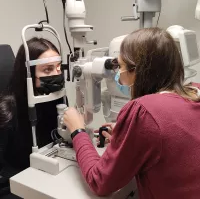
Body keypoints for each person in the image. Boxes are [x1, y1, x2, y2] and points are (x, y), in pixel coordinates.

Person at [63, 27, 200, 199]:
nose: (118, 77)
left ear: (137, 70)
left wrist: (78, 130)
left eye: (120, 66)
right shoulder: (194, 92)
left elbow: (100, 182)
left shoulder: (144, 111)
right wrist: (129, 136)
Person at [0, 37, 66, 198]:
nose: (57, 75)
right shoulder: (7, 112)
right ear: (27, 74)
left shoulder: (55, 98)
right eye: (47, 69)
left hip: (48, 175)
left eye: (58, 68)